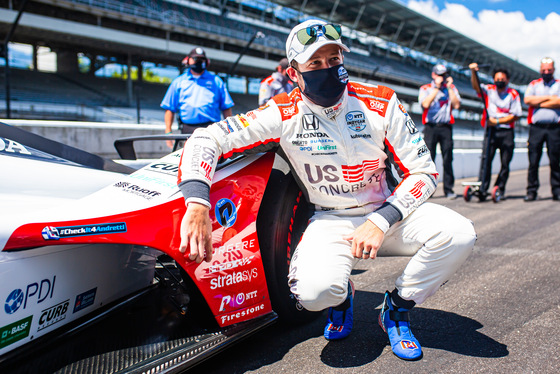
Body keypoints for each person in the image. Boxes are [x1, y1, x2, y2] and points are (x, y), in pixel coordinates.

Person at [175, 19, 476, 361]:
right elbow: (206, 137)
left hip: (389, 215)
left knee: (460, 233)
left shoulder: (381, 103)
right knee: (315, 293)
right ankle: (341, 294)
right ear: (294, 73)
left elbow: (424, 171)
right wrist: (197, 203)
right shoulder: (282, 112)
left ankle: (396, 308)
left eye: (334, 60)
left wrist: (381, 220)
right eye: (315, 64)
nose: (327, 69)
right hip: (330, 220)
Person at [161, 47, 234, 146]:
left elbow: (226, 107)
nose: (198, 61)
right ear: (188, 60)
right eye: (195, 59)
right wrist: (168, 131)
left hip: (211, 128)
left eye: (201, 59)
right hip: (188, 129)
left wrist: (230, 130)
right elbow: (169, 108)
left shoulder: (216, 81)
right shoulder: (179, 82)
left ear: (206, 62)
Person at [468, 63, 522, 199]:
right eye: (497, 79)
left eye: (502, 79)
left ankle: (500, 187)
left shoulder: (513, 94)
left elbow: (515, 115)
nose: (499, 81)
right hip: (491, 131)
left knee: (505, 162)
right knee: (486, 159)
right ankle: (483, 188)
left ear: (507, 80)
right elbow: (476, 87)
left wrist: (497, 121)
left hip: (506, 132)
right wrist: (473, 72)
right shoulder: (489, 90)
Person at [418, 64, 462, 199]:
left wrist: (448, 87)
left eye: (444, 75)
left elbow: (456, 105)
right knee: (429, 160)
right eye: (439, 75)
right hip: (430, 127)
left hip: (446, 127)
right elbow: (425, 104)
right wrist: (436, 88)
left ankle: (449, 189)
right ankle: (429, 190)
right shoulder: (425, 88)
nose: (442, 78)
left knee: (448, 158)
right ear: (433, 75)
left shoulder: (451, 89)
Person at [523, 57, 560, 202]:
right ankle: (531, 191)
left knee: (555, 161)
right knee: (533, 161)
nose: (546, 72)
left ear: (554, 70)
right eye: (544, 70)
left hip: (554, 129)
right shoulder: (534, 85)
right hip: (536, 128)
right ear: (540, 70)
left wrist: (539, 102)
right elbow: (528, 100)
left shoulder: (558, 84)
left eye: (549, 70)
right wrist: (550, 98)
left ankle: (557, 190)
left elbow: (559, 101)